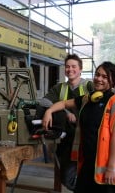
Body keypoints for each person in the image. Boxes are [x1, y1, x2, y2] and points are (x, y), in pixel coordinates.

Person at [42, 61, 115, 193]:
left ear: (113, 81)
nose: (99, 79)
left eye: (105, 77)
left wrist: (111, 167)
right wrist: (49, 111)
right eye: (97, 75)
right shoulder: (87, 99)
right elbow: (64, 104)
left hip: (107, 166)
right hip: (87, 163)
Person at [38, 53, 93, 189]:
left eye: (74, 66)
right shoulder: (60, 88)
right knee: (67, 177)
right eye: (67, 67)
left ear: (80, 69)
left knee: (89, 173)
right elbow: (44, 101)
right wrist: (63, 111)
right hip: (68, 139)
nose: (70, 69)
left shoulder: (89, 86)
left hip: (87, 138)